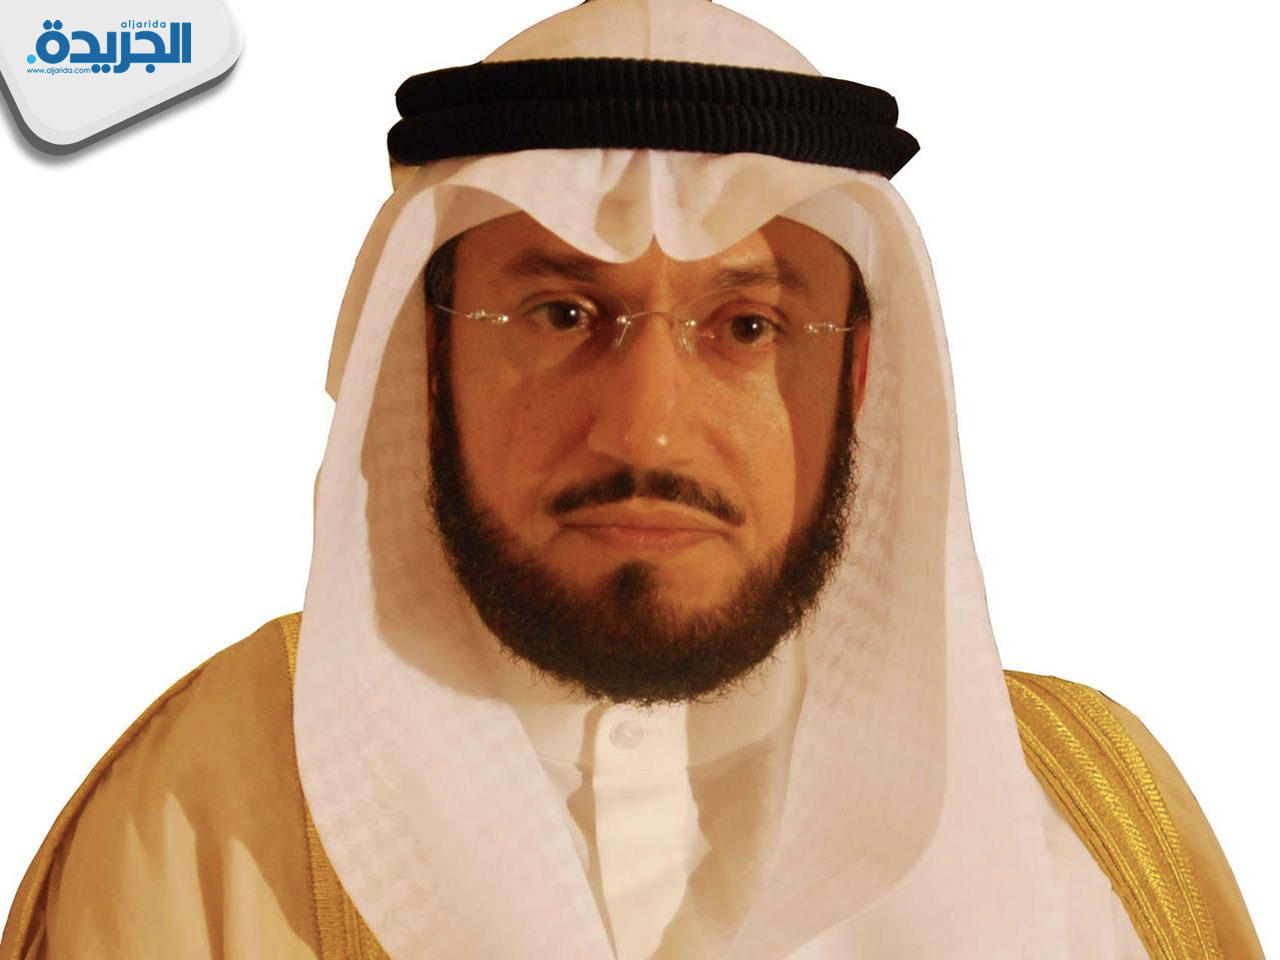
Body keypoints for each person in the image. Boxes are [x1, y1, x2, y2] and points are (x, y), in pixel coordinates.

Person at [1, 1, 1264, 958]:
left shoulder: (1100, 808)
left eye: (747, 327)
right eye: (557, 313)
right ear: (423, 360)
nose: (648, 433)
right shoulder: (202, 808)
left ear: (860, 378)